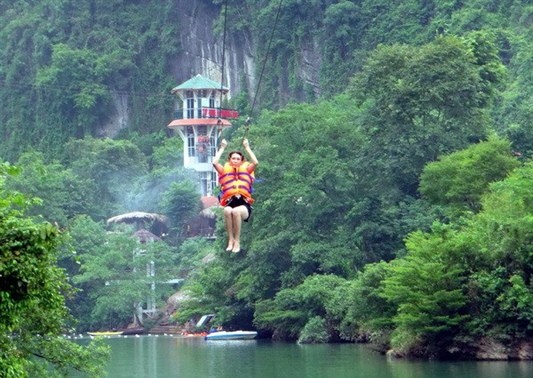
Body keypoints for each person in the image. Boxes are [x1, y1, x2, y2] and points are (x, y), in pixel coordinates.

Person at [213, 138, 258, 253]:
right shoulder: (224, 170)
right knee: (227, 210)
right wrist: (222, 148)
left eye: (238, 159)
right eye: (233, 158)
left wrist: (247, 147)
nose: (235, 160)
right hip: (230, 202)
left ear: (241, 160)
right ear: (230, 159)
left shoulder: (247, 169)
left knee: (235, 211)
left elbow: (255, 162)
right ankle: (230, 240)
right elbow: (214, 163)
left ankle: (237, 241)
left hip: (244, 206)